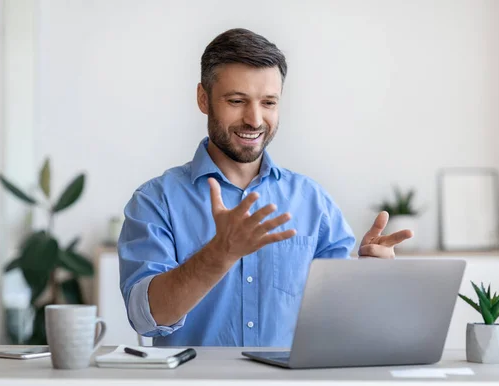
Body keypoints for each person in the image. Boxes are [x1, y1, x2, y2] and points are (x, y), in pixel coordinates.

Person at [118, 28, 413, 347]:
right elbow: (147, 317)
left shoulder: (313, 201)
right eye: (236, 101)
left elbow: (339, 319)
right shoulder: (155, 201)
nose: (254, 119)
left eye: (268, 102)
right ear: (204, 99)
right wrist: (220, 252)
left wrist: (371, 279)